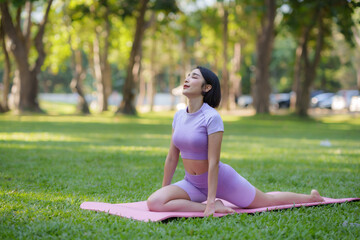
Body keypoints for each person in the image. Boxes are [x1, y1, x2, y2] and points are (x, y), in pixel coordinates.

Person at [147, 66, 324, 216]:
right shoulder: (179, 116)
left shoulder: (211, 117)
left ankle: (311, 198)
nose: (187, 79)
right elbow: (172, 157)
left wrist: (210, 198)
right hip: (192, 183)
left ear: (206, 87)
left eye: (194, 77)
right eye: (187, 76)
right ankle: (215, 206)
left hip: (223, 181)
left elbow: (214, 162)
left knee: (265, 201)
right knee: (155, 202)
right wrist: (165, 190)